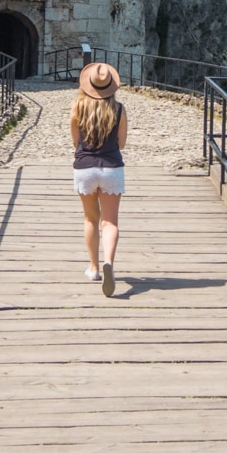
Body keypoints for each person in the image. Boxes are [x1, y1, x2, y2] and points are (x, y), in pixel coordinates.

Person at [70, 62, 127, 297]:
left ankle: (94, 269)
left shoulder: (77, 106)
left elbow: (75, 142)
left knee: (90, 219)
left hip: (84, 168)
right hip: (112, 167)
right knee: (110, 222)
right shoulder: (120, 109)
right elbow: (121, 143)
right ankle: (109, 263)